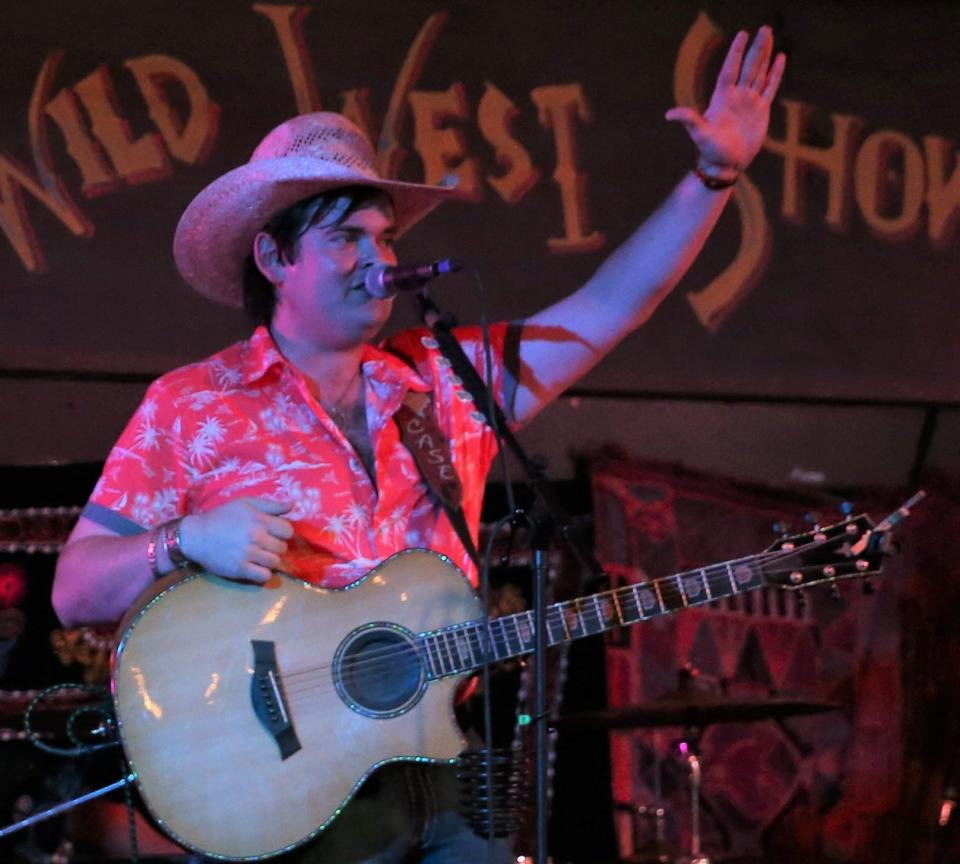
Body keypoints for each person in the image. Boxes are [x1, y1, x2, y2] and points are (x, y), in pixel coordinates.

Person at [52, 26, 785, 864]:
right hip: (285, 791)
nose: (379, 260)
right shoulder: (192, 405)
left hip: (439, 765)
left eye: (386, 237)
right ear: (274, 257)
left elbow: (613, 304)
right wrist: (182, 540)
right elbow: (74, 589)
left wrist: (714, 175)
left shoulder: (444, 382)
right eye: (346, 239)